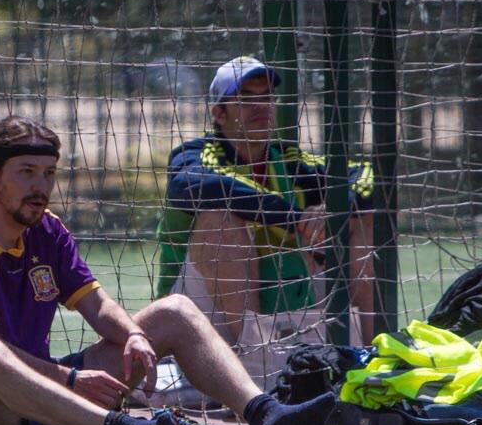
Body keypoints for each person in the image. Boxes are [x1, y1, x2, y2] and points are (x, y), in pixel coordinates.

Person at [0, 115, 335, 425]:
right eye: (26, 173)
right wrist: (72, 380)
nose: (40, 187)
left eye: (48, 173)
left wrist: (134, 335)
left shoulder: (49, 231)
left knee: (173, 311)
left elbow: (97, 307)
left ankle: (264, 412)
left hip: (53, 403)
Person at [156, 56, 375, 347]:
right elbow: (189, 184)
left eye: (268, 97)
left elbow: (366, 174)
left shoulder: (289, 160)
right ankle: (255, 361)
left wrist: (333, 211)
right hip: (198, 312)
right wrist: (294, 217)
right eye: (246, 99)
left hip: (285, 296)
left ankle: (375, 353)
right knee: (220, 222)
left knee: (360, 217)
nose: (261, 106)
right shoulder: (196, 154)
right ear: (219, 113)